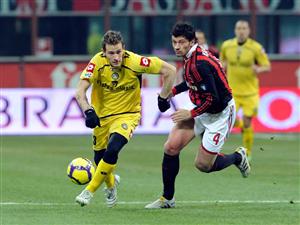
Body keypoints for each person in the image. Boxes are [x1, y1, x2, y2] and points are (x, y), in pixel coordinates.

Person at [145, 22, 251, 209]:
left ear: (191, 41)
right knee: (171, 147)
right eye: (174, 42)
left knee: (203, 165)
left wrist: (190, 113)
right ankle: (167, 199)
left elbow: (214, 99)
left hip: (220, 113)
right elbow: (191, 81)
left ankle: (237, 157)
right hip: (200, 106)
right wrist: (173, 92)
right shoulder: (191, 56)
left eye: (181, 42)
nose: (177, 46)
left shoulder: (200, 63)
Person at [75, 30, 176, 207]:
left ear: (124, 49)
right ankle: (112, 184)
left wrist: (163, 96)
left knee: (113, 148)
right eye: (111, 53)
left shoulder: (136, 61)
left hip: (128, 115)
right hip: (102, 117)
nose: (116, 57)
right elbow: (80, 91)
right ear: (103, 52)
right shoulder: (97, 62)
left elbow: (170, 70)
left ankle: (88, 191)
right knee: (100, 159)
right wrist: (88, 111)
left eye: (119, 52)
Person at [220, 20, 271, 161]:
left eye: (244, 28)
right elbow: (221, 62)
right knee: (230, 120)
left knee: (248, 121)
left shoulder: (256, 48)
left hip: (250, 92)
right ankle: (242, 126)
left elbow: (267, 66)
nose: (241, 31)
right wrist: (222, 66)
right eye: (238, 28)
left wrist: (259, 68)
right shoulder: (226, 46)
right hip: (232, 92)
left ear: (248, 31)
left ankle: (247, 153)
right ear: (235, 30)